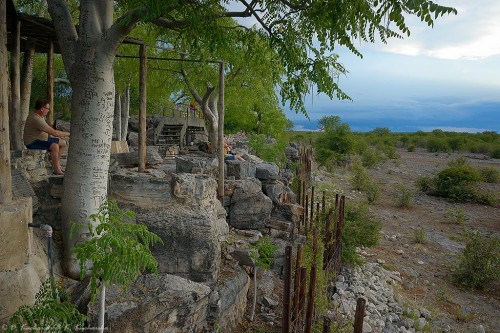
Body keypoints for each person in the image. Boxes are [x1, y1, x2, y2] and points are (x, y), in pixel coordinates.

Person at [23, 99, 70, 175]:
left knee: (63, 143)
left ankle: (57, 164)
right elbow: (55, 133)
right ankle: (56, 169)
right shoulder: (36, 118)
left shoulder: (40, 116)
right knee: (54, 146)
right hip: (32, 142)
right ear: (42, 109)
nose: (48, 111)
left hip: (42, 139)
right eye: (47, 108)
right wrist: (68, 133)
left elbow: (48, 128)